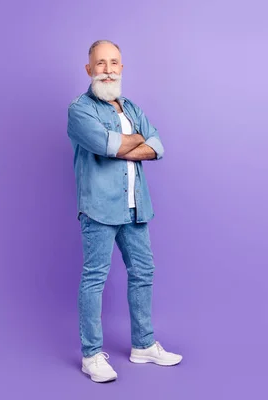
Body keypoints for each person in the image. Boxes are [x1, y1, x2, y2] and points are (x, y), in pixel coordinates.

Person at [67, 40, 182, 383]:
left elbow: (158, 144)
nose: (108, 69)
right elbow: (105, 145)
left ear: (122, 67)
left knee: (143, 272)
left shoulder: (130, 106)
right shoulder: (80, 110)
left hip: (136, 208)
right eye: (100, 63)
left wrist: (120, 145)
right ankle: (91, 355)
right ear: (89, 69)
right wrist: (130, 141)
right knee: (94, 280)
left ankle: (143, 345)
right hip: (100, 209)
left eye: (114, 62)